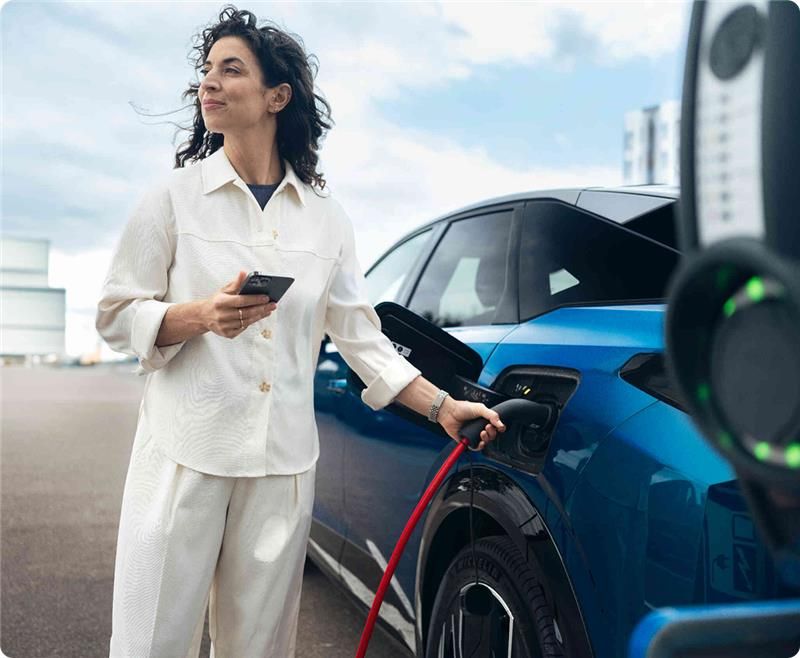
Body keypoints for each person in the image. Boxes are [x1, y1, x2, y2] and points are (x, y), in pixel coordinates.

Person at [96, 5, 506, 657]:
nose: (209, 82)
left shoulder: (326, 219)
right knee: (153, 644)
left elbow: (363, 340)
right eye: (207, 69)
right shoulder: (171, 198)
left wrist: (443, 407)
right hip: (183, 456)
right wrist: (201, 315)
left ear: (277, 97)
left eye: (231, 69)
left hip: (281, 469)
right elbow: (115, 315)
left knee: (258, 649)